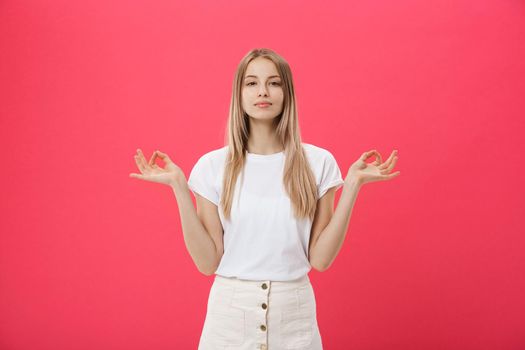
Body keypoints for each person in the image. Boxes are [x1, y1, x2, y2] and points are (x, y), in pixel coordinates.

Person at [130, 48, 400, 350]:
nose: (263, 91)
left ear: (287, 93)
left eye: (274, 83)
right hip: (228, 320)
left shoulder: (318, 163)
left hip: (295, 316)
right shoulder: (211, 166)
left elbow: (320, 259)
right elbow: (208, 263)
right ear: (239, 93)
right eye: (251, 83)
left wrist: (352, 185)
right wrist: (179, 187)